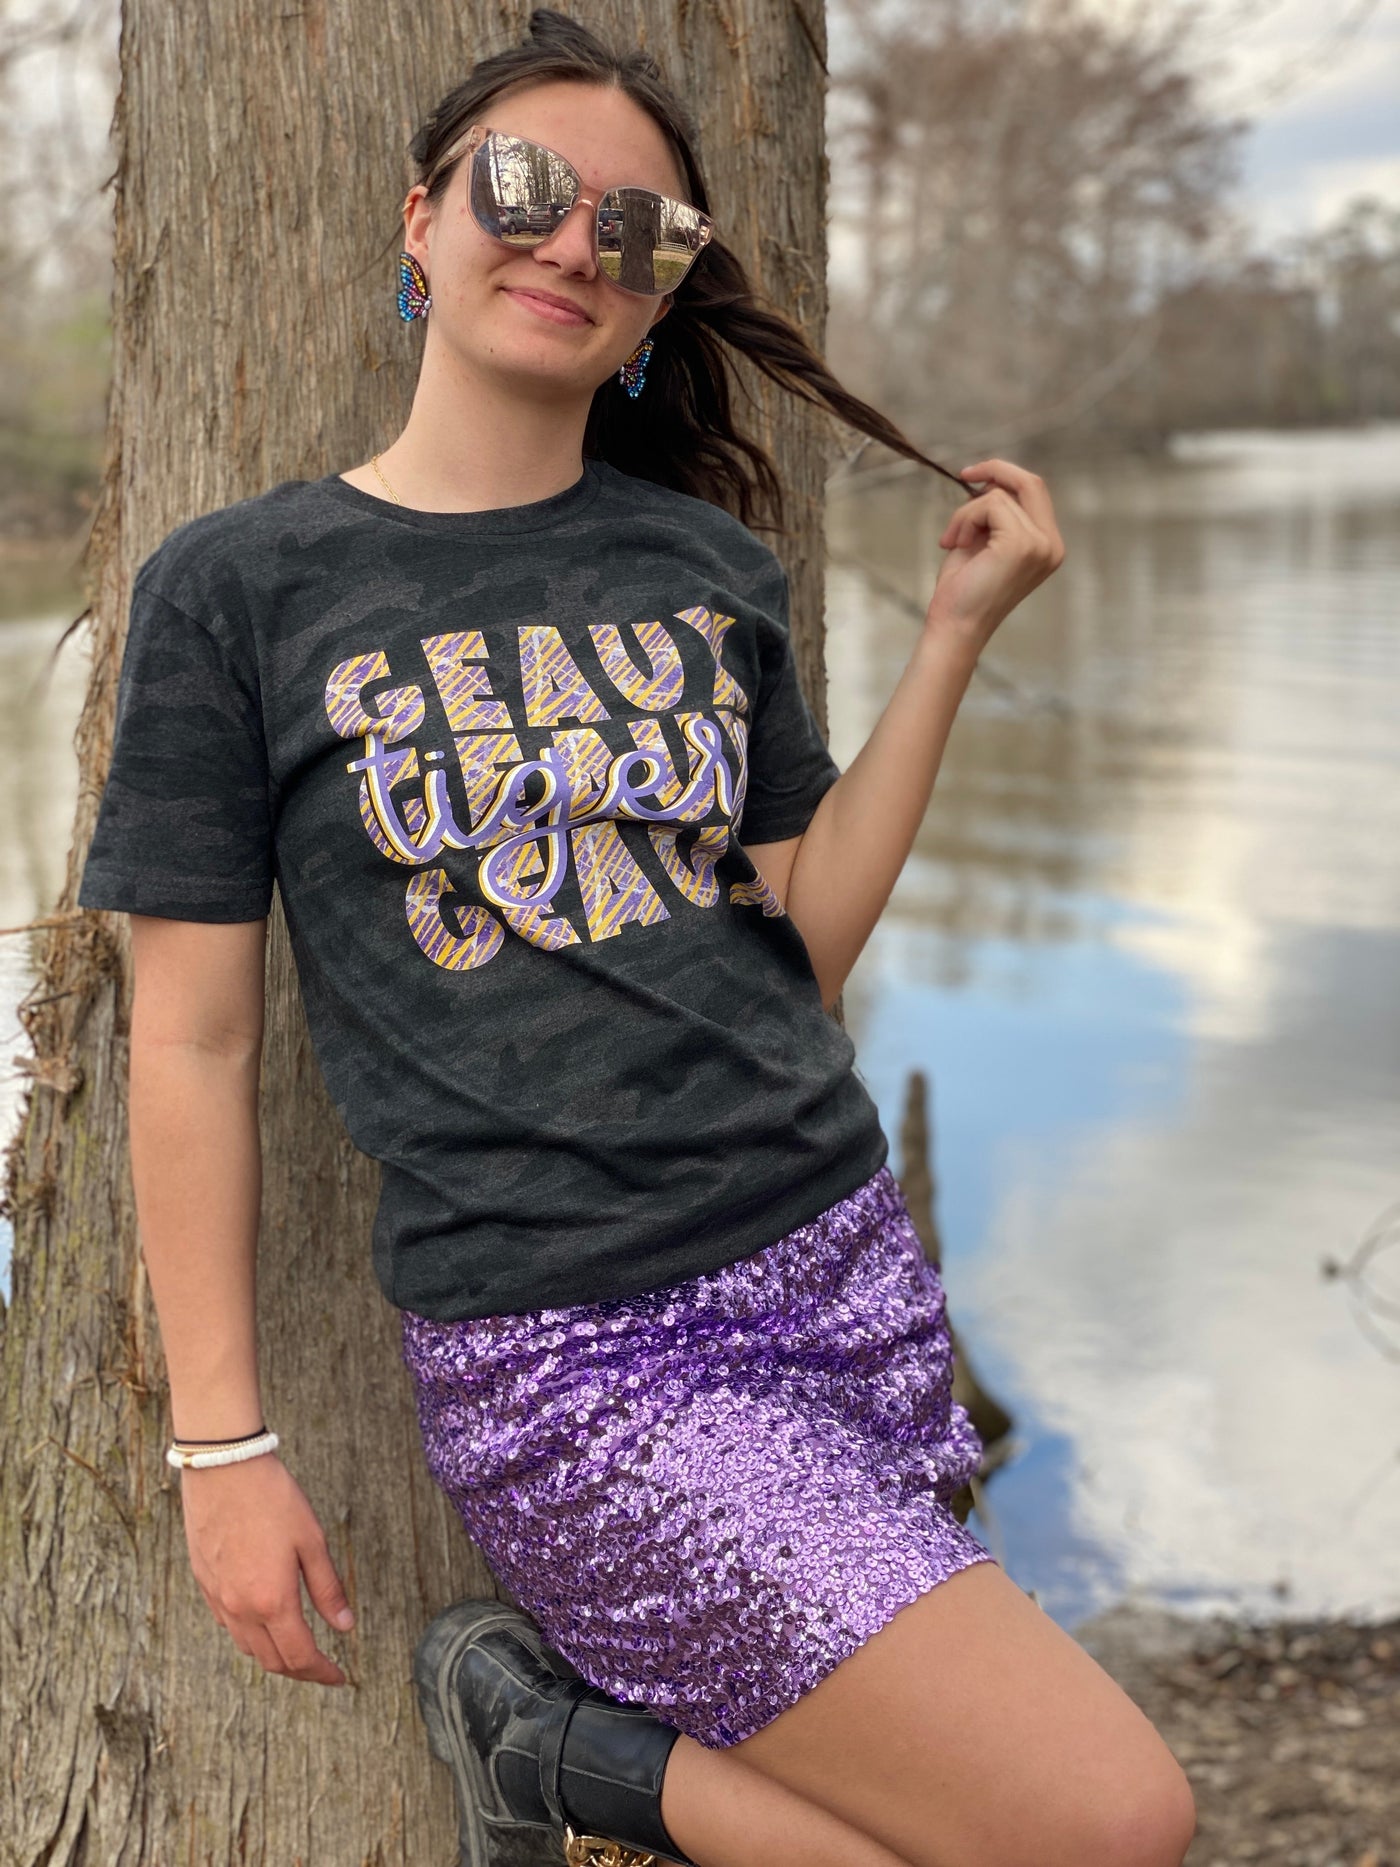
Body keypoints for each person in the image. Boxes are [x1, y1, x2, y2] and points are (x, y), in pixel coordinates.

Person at [77, 11, 1195, 1867]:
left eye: (639, 227)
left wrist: (951, 645)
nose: (572, 243)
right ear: (422, 218)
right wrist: (222, 1446)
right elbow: (192, 1041)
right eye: (522, 186)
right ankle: (562, 1762)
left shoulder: (705, 570)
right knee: (1109, 1824)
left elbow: (800, 945)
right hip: (582, 1358)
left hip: (841, 1267)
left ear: (664, 292)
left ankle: (574, 1777)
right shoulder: (242, 588)